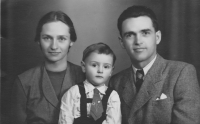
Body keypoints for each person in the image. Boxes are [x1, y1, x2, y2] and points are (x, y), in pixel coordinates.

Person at [109, 5, 200, 124]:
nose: (138, 41)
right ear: (122, 42)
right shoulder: (116, 82)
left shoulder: (181, 73)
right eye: (130, 35)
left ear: (157, 37)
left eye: (145, 33)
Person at [10, 11, 85, 124]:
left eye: (61, 38)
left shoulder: (86, 76)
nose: (54, 46)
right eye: (47, 38)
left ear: (71, 41)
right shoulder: (23, 82)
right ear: (38, 41)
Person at [59, 43, 121, 124]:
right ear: (84, 67)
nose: (100, 71)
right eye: (94, 65)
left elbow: (114, 121)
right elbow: (65, 120)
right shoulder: (74, 92)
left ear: (111, 71)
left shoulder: (113, 96)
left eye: (106, 67)